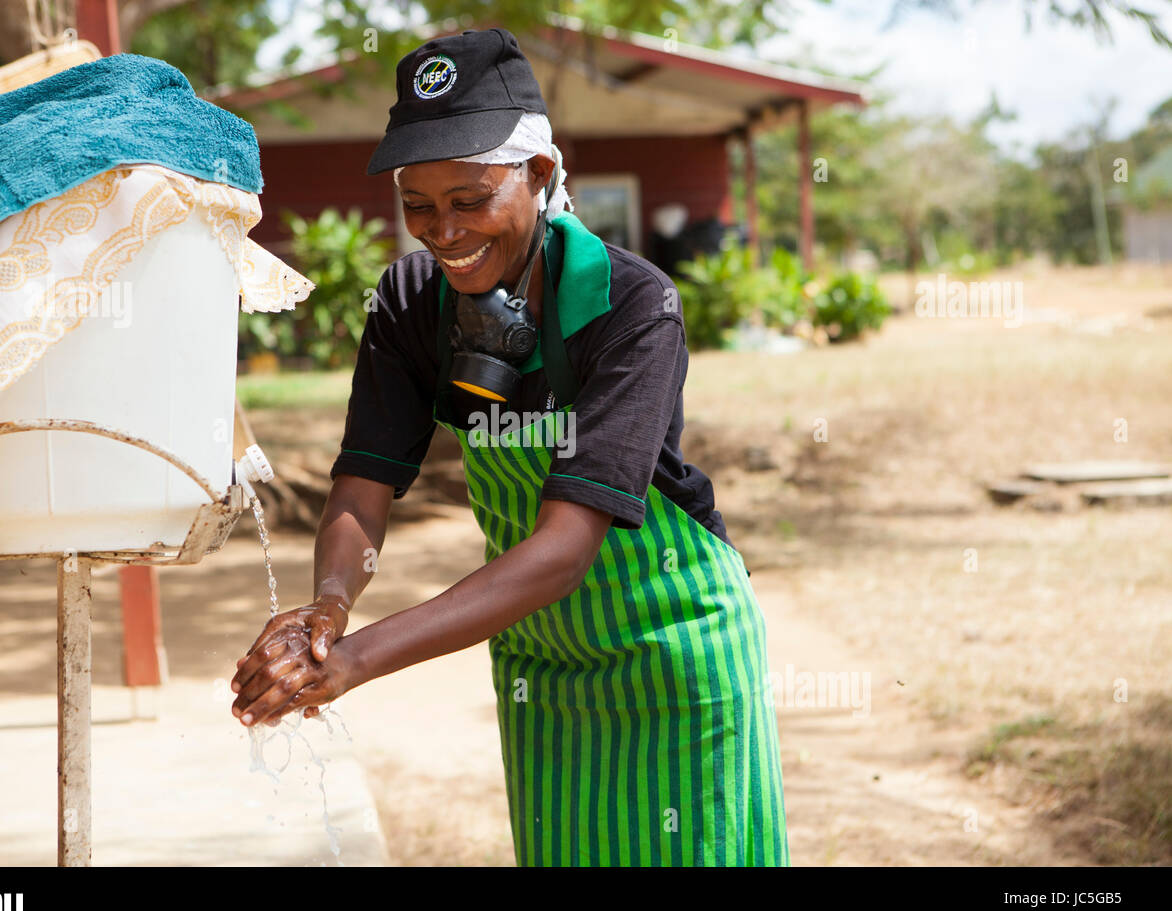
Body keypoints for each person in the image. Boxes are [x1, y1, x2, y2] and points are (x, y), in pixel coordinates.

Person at [230, 27, 789, 867]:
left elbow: (564, 549)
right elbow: (363, 484)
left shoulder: (633, 304)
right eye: (418, 203)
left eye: (470, 198)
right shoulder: (411, 301)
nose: (442, 231)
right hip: (542, 666)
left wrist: (354, 660)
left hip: (672, 651)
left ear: (540, 175)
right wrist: (326, 611)